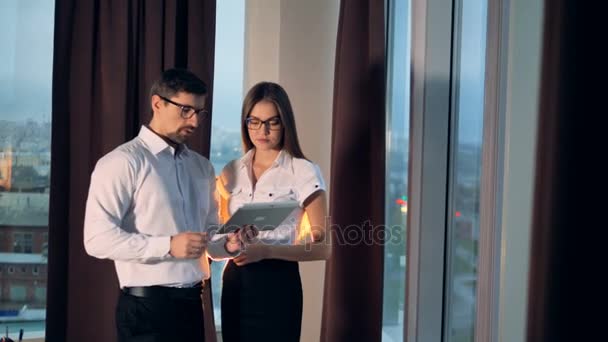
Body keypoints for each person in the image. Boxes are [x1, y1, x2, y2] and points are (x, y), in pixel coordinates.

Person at [83, 68, 249, 342]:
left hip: (193, 306)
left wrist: (229, 245)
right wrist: (168, 245)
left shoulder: (202, 168)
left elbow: (208, 237)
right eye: (186, 110)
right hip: (145, 311)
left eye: (200, 112)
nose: (195, 121)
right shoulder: (121, 163)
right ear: (157, 103)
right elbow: (96, 239)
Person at [216, 81, 332, 342]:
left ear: (285, 123)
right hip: (235, 283)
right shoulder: (231, 170)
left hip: (278, 284)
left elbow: (324, 248)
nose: (263, 130)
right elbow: (220, 233)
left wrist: (267, 251)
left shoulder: (303, 171)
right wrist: (229, 244)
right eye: (254, 121)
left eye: (272, 122)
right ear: (245, 123)